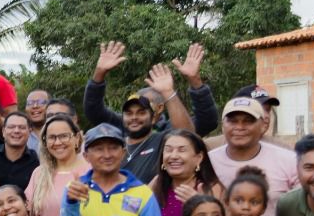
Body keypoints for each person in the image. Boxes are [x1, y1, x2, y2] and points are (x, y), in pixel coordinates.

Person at [83, 42, 217, 181]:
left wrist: (178, 88)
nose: (134, 117)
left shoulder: (165, 138)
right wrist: (99, 73)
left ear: (155, 113)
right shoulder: (118, 132)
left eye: (142, 112)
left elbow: (193, 130)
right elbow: (94, 111)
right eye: (128, 113)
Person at [207, 96, 301, 216]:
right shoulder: (207, 162)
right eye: (232, 121)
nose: (239, 127)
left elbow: (301, 211)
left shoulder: (289, 160)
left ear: (263, 125)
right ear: (223, 124)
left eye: (248, 121)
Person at [151, 130, 225, 216]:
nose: (173, 156)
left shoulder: (210, 187)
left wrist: (199, 205)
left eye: (182, 150)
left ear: (199, 158)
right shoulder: (156, 183)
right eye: (168, 150)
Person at [26, 114, 83, 216]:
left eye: (64, 136)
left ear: (76, 138)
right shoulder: (39, 173)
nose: (57, 142)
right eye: (52, 137)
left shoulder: (92, 171)